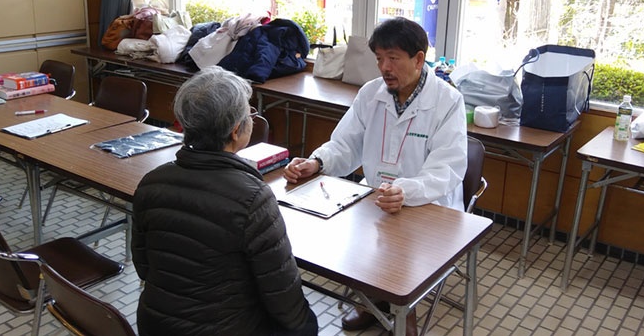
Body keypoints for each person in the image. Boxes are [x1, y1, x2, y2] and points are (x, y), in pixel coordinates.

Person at [283, 17, 468, 335]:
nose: (384, 67)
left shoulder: (447, 102)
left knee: (401, 243)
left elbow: (446, 169)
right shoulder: (371, 95)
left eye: (393, 58)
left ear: (419, 59)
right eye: (380, 58)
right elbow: (345, 144)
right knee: (358, 234)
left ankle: (401, 312)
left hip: (428, 204)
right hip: (375, 197)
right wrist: (317, 162)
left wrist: (406, 191)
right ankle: (371, 304)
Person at [132, 66, 318, 336]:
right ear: (235, 130)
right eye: (249, 111)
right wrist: (307, 327)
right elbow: (281, 292)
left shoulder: (151, 182)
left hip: (156, 325)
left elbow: (144, 266)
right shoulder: (252, 197)